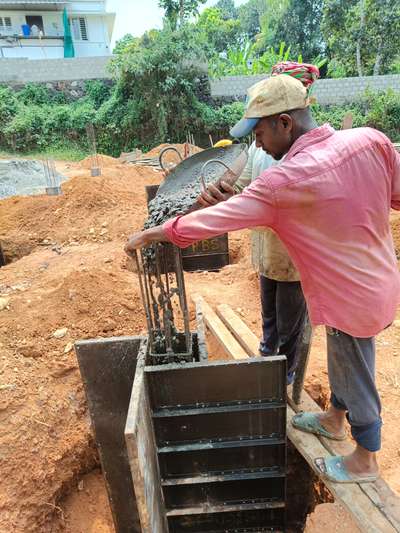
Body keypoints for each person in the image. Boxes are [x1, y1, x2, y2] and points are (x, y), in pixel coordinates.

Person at [125, 73, 400, 484]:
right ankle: (333, 418)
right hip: (379, 278)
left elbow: (214, 221)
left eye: (259, 132)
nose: (256, 144)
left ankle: (364, 458)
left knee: (351, 368)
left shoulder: (282, 181)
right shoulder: (370, 140)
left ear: (285, 123)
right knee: (347, 357)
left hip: (348, 295)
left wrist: (152, 233)